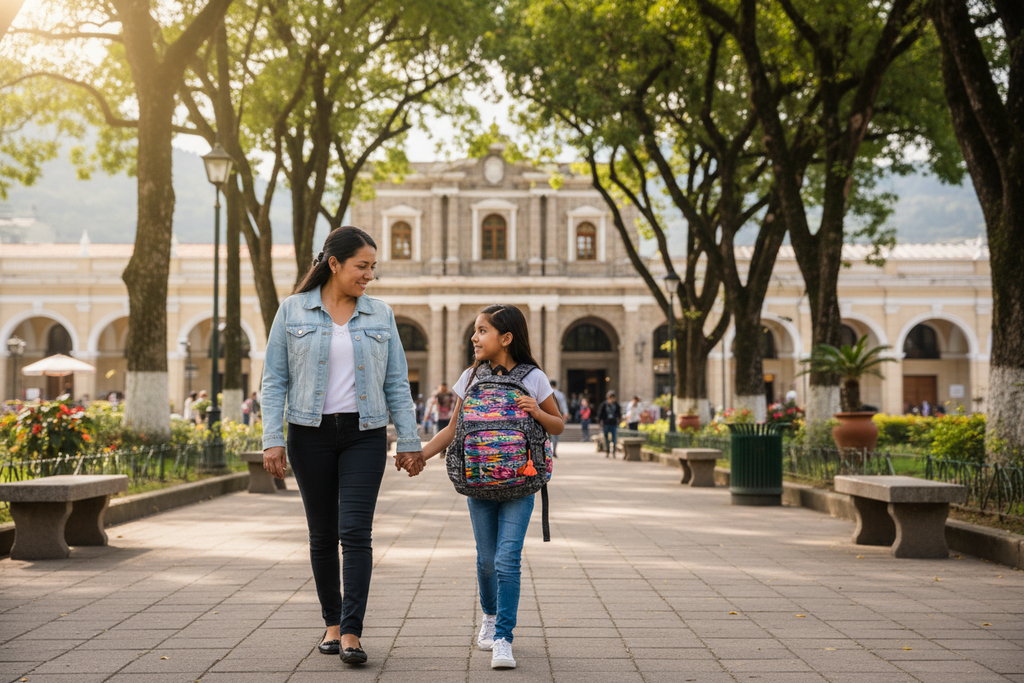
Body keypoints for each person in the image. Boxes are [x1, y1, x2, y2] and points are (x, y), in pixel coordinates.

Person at [260, 226, 423, 666]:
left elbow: (396, 383)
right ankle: (331, 624)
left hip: (363, 434)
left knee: (354, 531)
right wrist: (272, 439)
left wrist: (410, 442)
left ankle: (351, 631)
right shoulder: (292, 310)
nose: (370, 275)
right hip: (307, 434)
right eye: (362, 266)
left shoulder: (380, 315)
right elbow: (274, 380)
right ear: (334, 264)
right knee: (322, 533)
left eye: (373, 267)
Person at [419, 304, 564, 670]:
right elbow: (453, 429)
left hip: (522, 483)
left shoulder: (534, 377)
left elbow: (558, 425)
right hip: (478, 482)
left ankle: (504, 637)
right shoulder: (469, 377)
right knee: (486, 562)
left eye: (482, 330)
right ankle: (489, 613)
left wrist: (537, 411)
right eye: (475, 330)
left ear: (506, 337)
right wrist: (419, 455)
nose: (474, 337)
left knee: (506, 560)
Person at [596, 391, 622, 458]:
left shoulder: (616, 405)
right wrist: (599, 422)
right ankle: (607, 451)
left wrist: (619, 420)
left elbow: (619, 414)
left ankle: (613, 452)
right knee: (606, 439)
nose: (612, 400)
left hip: (614, 424)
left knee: (614, 439)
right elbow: (600, 414)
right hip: (606, 423)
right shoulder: (604, 405)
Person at [548, 379, 570, 457]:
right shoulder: (560, 394)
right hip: (558, 415)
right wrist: (566, 413)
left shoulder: (546, 393)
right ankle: (554, 449)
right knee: (556, 435)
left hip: (547, 415)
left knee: (548, 435)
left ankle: (548, 450)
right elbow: (563, 405)